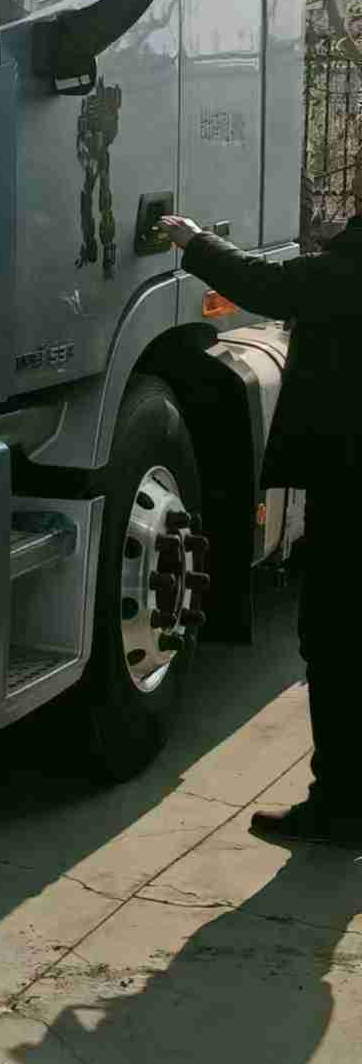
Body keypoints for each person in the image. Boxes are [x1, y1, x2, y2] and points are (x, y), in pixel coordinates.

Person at [159, 207, 362, 844]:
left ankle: (340, 807)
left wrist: (196, 243)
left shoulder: (350, 269)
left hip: (349, 481)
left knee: (334, 639)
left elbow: (271, 286)